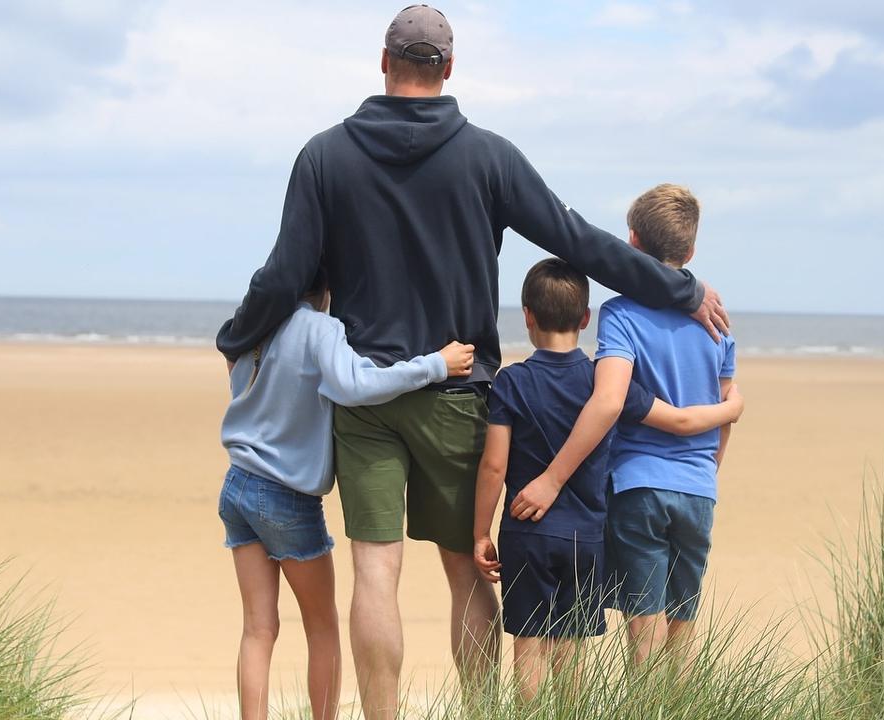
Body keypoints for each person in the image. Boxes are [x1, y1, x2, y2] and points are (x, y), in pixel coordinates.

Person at [215, 6, 730, 717]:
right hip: (460, 391)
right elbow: (579, 242)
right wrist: (681, 285)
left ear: (384, 62)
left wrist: (238, 337)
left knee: (375, 568)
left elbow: (284, 278)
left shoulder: (325, 156)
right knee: (465, 571)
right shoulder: (487, 155)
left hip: (365, 400)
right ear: (449, 69)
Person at [471, 259, 744, 702]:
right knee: (572, 651)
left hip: (526, 533)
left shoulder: (512, 381)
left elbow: (494, 466)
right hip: (587, 537)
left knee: (529, 646)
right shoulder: (605, 383)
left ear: (527, 315)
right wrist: (730, 410)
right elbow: (676, 419)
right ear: (585, 319)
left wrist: (481, 531)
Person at [217, 266, 475, 720]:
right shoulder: (319, 328)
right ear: (328, 287)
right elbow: (355, 385)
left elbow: (236, 374)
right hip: (287, 497)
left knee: (258, 629)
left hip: (237, 484)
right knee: (322, 628)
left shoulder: (256, 325)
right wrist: (435, 365)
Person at [509, 185, 736, 667]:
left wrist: (552, 479)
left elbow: (609, 401)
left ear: (630, 244)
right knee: (683, 624)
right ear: (691, 250)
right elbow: (725, 411)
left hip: (638, 487)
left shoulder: (620, 315)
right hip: (699, 488)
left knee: (644, 629)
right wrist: (706, 472)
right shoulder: (716, 322)